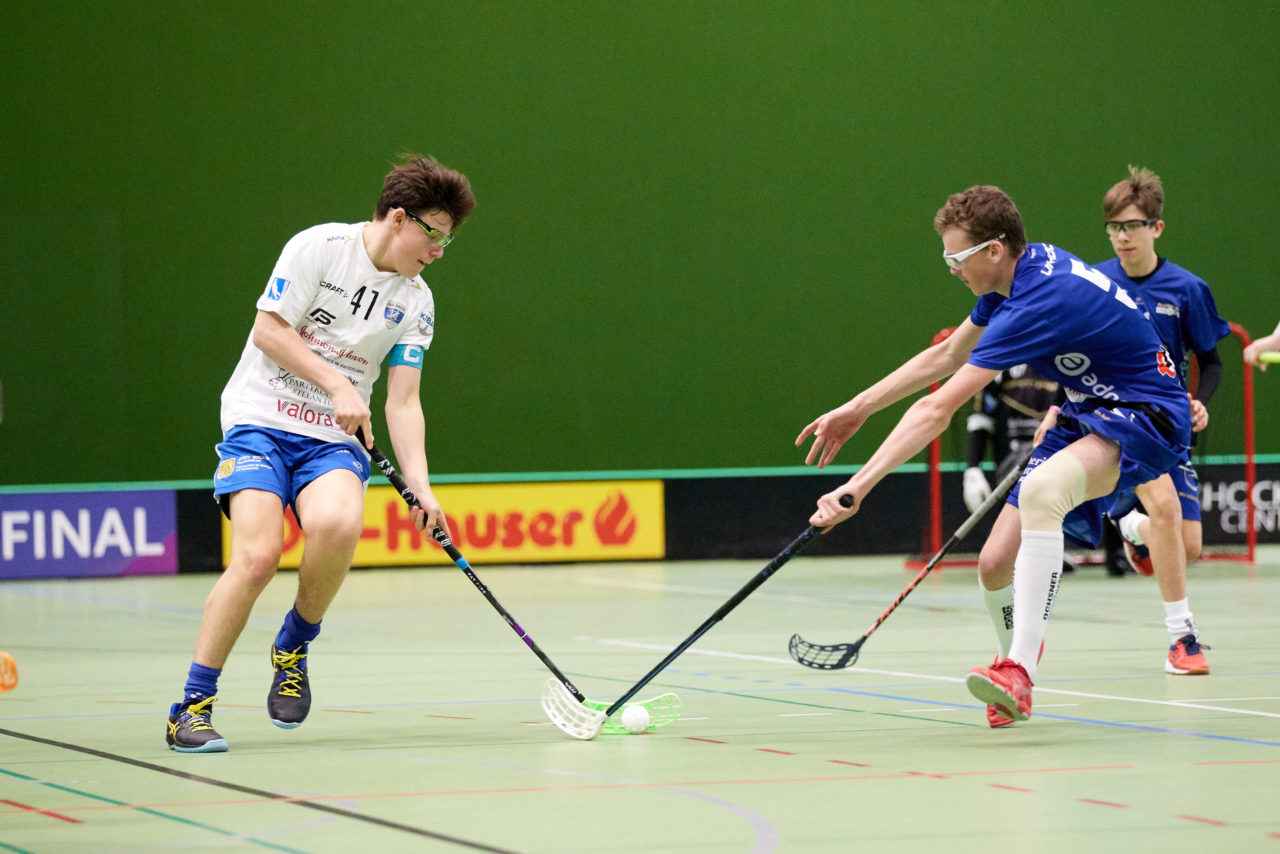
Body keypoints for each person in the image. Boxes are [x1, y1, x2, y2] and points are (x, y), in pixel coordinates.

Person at [797, 185, 1191, 727]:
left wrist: (857, 486)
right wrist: (857, 408)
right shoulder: (1016, 277)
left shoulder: (1037, 302)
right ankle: (1014, 680)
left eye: (956, 258)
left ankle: (1018, 670)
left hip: (1148, 415)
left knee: (1043, 492)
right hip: (1085, 409)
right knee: (993, 564)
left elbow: (938, 408)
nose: (951, 269)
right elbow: (946, 354)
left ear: (995, 250)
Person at [165, 155, 476, 753]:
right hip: (260, 419)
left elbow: (403, 401)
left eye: (448, 240)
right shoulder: (320, 248)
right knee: (258, 556)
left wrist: (421, 485)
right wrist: (336, 384)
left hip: (332, 438)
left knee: (336, 523)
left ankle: (293, 645)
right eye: (433, 234)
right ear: (397, 218)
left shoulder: (417, 301)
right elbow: (268, 331)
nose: (439, 251)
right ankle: (192, 707)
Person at [1083, 166, 1230, 675]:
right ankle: (1182, 641)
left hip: (1169, 423)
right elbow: (1074, 354)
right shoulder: (1096, 283)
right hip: (1113, 418)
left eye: (1132, 226)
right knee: (1165, 510)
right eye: (1114, 227)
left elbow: (1211, 361)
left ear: (1156, 228)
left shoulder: (1188, 289)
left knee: (1187, 546)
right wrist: (1059, 410)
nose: (1122, 236)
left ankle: (1129, 524)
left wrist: (1199, 401)